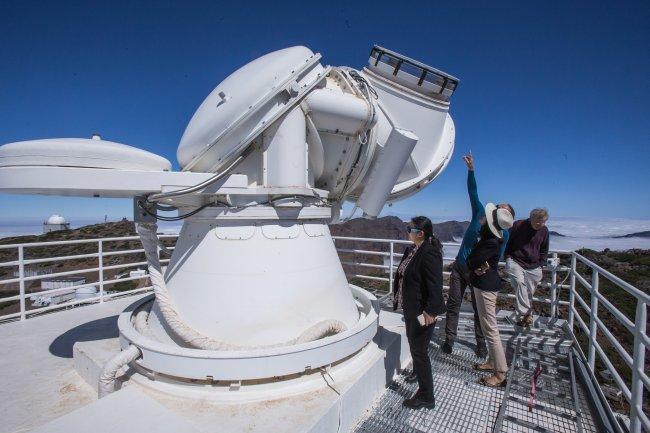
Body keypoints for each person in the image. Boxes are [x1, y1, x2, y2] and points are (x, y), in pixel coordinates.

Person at [443, 152, 514, 358]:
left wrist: (486, 268)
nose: (500, 207)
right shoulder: (480, 213)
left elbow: (497, 257)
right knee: (454, 303)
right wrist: (471, 170)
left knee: (478, 310)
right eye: (500, 206)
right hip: (460, 266)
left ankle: (481, 343)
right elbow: (472, 192)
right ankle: (449, 339)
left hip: (477, 273)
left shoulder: (503, 234)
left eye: (504, 209)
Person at [392, 216, 446, 410]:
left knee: (419, 351)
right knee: (414, 343)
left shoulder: (429, 252)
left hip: (422, 310)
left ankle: (426, 396)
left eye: (410, 229)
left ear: (420, 233)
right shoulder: (412, 249)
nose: (407, 231)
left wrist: (431, 310)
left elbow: (435, 284)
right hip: (410, 307)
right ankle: (416, 372)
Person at [469, 203, 514, 387]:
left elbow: (471, 260)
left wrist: (476, 264)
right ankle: (492, 362)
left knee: (491, 329)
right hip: (482, 284)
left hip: (486, 286)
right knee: (488, 327)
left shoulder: (490, 241)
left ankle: (500, 373)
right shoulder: (490, 238)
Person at [505, 208, 550, 327]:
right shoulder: (518, 225)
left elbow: (544, 248)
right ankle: (527, 313)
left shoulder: (544, 230)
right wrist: (507, 256)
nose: (540, 224)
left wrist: (541, 262)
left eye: (543, 222)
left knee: (528, 293)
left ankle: (523, 319)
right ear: (530, 218)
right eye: (537, 221)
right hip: (515, 260)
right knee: (519, 283)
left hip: (534, 265)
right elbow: (506, 240)